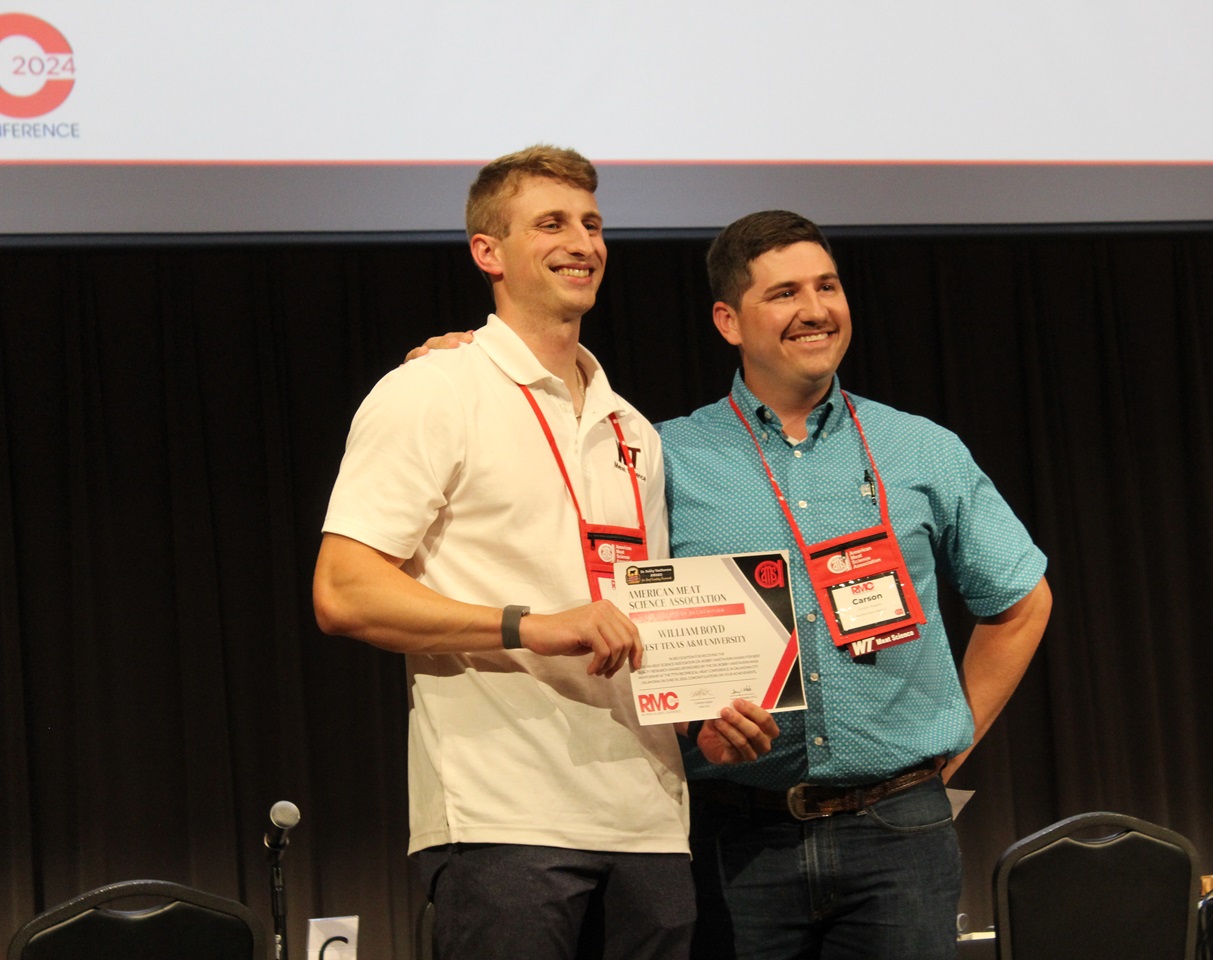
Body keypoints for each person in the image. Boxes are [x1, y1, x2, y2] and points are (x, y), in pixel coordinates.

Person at [409, 208, 1052, 959]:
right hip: (735, 835)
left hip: (898, 835)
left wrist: (950, 745)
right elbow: (630, 617)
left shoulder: (921, 448)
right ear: (728, 320)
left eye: (828, 287)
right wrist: (458, 362)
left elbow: (1020, 601)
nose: (815, 310)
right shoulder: (660, 454)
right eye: (783, 294)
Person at [313, 144, 777, 960]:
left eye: (594, 224)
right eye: (552, 223)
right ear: (487, 253)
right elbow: (344, 592)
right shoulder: (433, 389)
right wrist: (532, 626)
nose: (584, 242)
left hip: (649, 818)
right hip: (505, 818)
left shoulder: (631, 426)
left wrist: (703, 714)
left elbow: (644, 609)